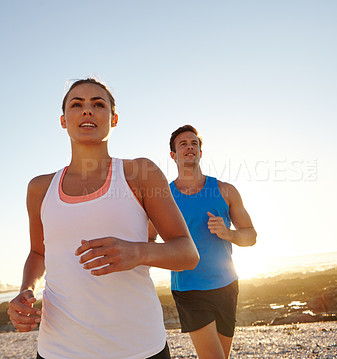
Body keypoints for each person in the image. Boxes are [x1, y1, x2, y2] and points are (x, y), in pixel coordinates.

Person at [7, 79, 199, 359]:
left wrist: (138, 251)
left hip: (139, 347)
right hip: (58, 349)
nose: (87, 111)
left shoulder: (139, 173)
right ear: (63, 120)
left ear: (114, 118)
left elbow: (187, 253)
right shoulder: (39, 188)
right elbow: (38, 253)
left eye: (98, 104)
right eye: (77, 105)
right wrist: (25, 291)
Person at [149, 125, 257, 359]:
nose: (190, 147)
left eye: (194, 143)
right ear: (173, 155)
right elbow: (149, 240)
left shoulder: (225, 190)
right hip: (189, 288)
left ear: (200, 152)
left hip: (227, 285)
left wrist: (229, 234)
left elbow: (251, 236)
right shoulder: (163, 197)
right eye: (183, 144)